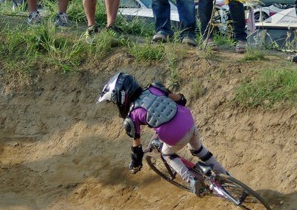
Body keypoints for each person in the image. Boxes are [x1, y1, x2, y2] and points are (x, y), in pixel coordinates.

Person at [97, 72, 226, 198]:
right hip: (189, 123)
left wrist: (136, 164)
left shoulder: (132, 116)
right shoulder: (155, 88)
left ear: (121, 97)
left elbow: (137, 148)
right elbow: (181, 99)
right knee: (199, 150)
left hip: (175, 137)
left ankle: (191, 179)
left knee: (166, 154)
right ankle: (225, 175)